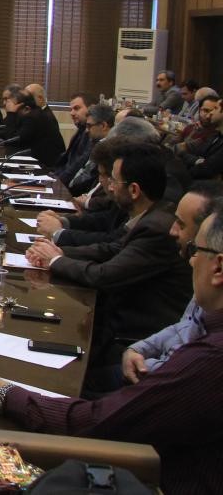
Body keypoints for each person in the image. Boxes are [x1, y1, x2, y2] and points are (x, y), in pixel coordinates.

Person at [0, 206, 223, 495]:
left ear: (218, 267)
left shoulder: (210, 360)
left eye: (196, 250)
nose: (190, 260)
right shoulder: (208, 331)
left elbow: (95, 423)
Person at [25, 144, 192, 384]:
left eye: (114, 180)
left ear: (134, 190)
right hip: (115, 325)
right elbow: (111, 249)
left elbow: (104, 275)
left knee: (50, 370)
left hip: (129, 337)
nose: (109, 187)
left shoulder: (158, 227)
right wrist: (59, 252)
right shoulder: (151, 215)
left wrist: (57, 260)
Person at [120, 187, 223, 386]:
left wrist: (145, 364)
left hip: (158, 378)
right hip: (151, 364)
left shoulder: (210, 289)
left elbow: (184, 369)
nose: (172, 230)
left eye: (181, 224)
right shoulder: (204, 284)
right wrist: (138, 349)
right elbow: (182, 328)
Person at [0, 89, 65, 167]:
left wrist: (11, 114)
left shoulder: (33, 117)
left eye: (14, 108)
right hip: (38, 162)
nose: (14, 113)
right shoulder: (32, 113)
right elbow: (15, 132)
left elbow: (13, 140)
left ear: (26, 109)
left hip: (48, 166)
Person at [55, 93, 97, 185]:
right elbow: (66, 162)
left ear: (92, 109)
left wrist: (57, 182)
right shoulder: (81, 131)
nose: (72, 113)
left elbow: (78, 165)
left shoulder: (92, 135)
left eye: (77, 108)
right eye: (71, 109)